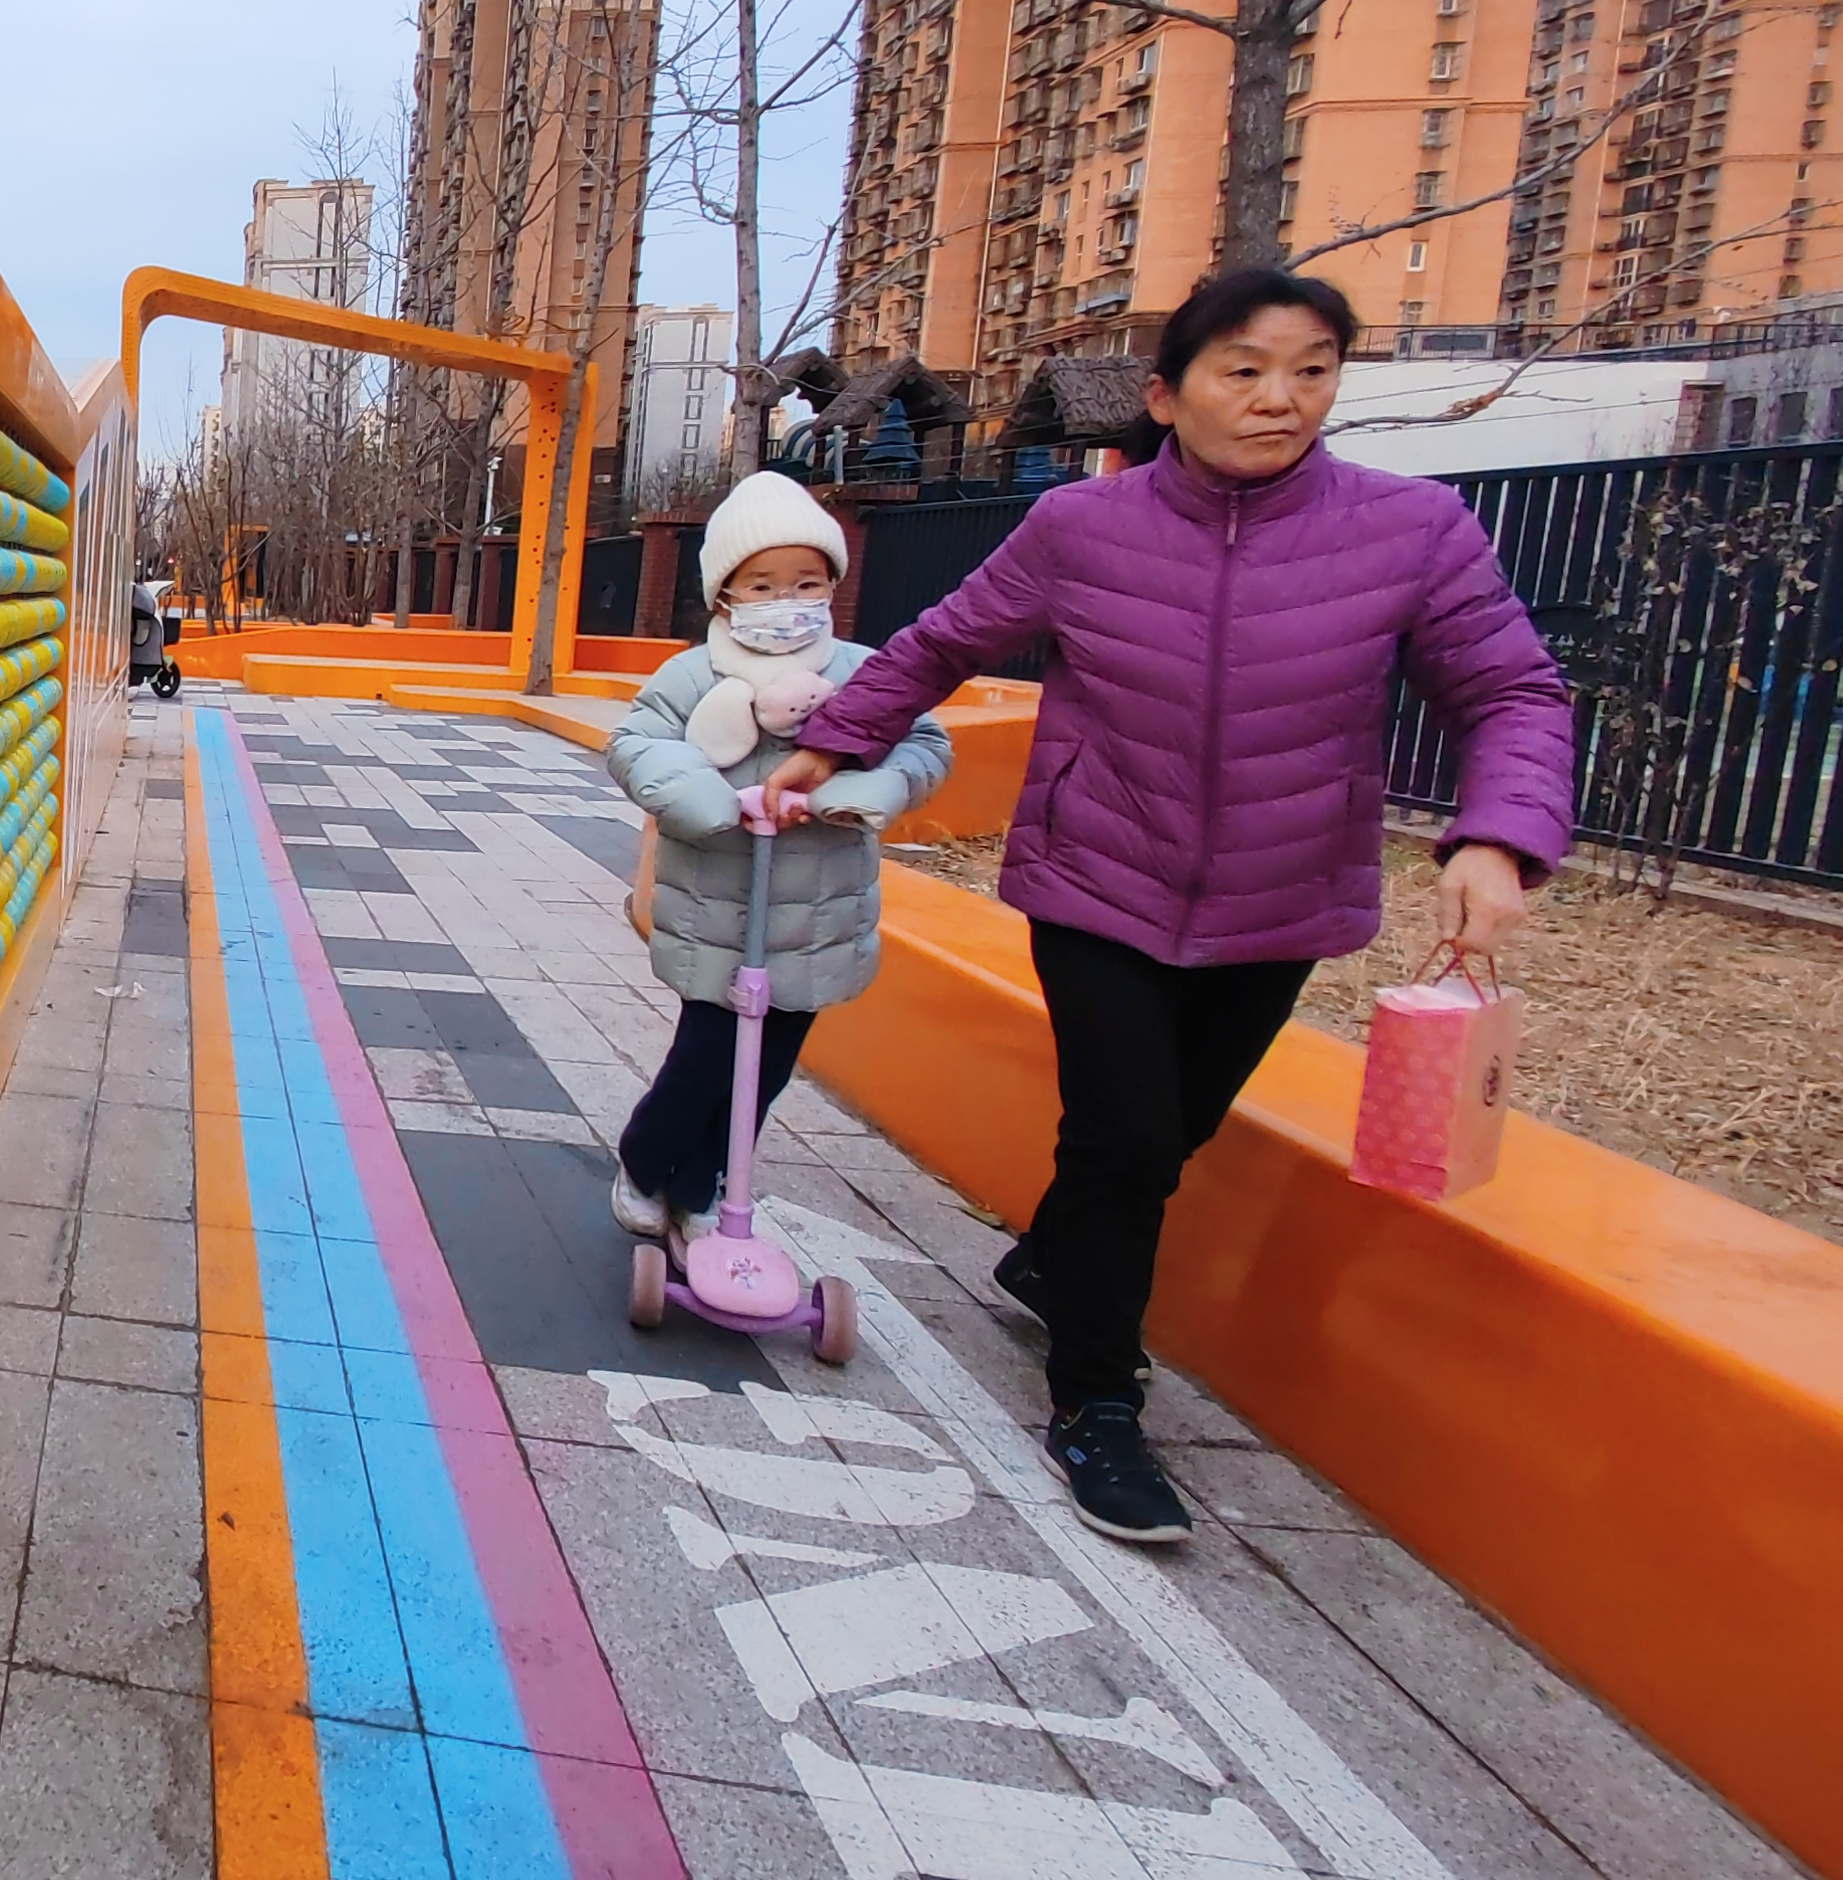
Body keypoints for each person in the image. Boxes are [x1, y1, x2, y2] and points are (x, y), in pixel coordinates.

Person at [759, 264, 1574, 1545]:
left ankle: (1053, 1263)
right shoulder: (1081, 529)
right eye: (1242, 370)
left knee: (1173, 1128)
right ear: (1166, 394)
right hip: (1097, 874)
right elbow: (942, 642)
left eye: (1309, 372)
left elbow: (1511, 692)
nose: (1277, 398)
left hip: (1281, 894)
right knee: (1125, 1136)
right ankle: (1094, 1401)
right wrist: (834, 743)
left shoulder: (1411, 530)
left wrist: (1497, 838)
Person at [603, 472, 951, 1239]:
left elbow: (924, 743)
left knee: (767, 1067)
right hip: (718, 908)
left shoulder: (860, 672)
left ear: (833, 585)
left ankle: (704, 1185)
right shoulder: (694, 675)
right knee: (705, 1056)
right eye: (762, 585)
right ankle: (647, 1161)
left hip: (817, 915)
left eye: (805, 582)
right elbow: (636, 743)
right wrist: (707, 801)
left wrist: (863, 791)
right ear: (725, 594)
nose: (785, 600)